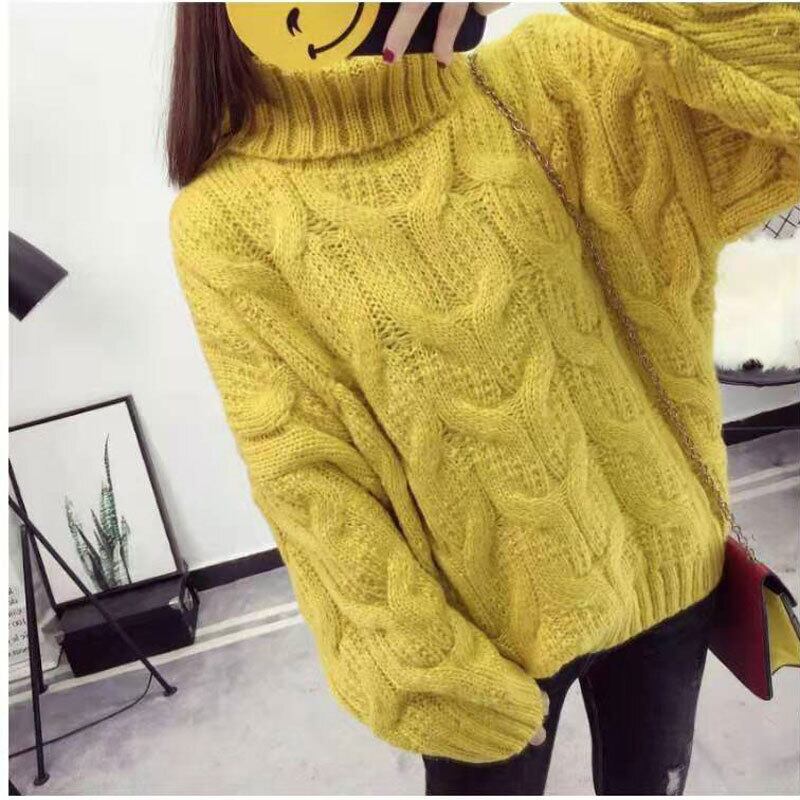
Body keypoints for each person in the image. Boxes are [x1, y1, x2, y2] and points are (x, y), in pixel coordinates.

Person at [166, 2, 800, 795]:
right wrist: (429, 669)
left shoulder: (558, 76)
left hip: (670, 572)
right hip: (485, 648)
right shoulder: (225, 220)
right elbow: (305, 472)